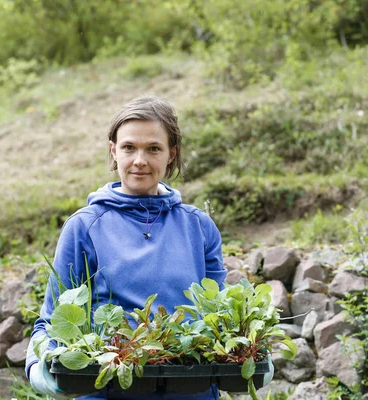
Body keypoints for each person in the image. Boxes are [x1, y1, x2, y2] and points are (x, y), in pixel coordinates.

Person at [25, 95, 233, 400]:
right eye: (129, 147)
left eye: (153, 148)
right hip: (107, 391)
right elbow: (53, 319)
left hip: (191, 391)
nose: (140, 160)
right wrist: (37, 367)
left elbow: (218, 316)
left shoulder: (198, 227)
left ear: (171, 154)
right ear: (114, 150)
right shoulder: (84, 226)